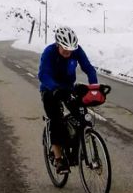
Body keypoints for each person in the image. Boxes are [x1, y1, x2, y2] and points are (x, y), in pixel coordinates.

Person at [38, 25, 99, 173]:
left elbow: (89, 69)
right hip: (50, 89)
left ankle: (75, 150)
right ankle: (58, 159)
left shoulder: (76, 50)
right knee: (56, 120)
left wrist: (95, 88)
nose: (68, 52)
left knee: (82, 116)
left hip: (68, 88)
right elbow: (43, 75)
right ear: (58, 44)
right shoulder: (49, 52)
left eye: (71, 49)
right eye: (65, 48)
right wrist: (54, 88)